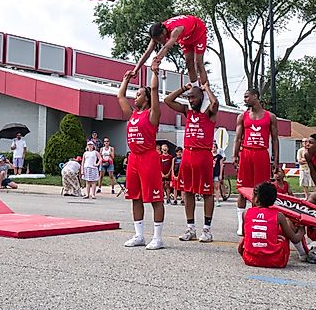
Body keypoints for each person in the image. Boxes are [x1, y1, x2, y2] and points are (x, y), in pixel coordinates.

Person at [117, 61, 165, 250]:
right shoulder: (132, 115)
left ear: (145, 99)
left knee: (154, 199)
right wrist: (126, 80)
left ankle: (158, 238)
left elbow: (153, 88)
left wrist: (154, 71)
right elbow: (120, 95)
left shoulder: (152, 114)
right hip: (134, 159)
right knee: (135, 197)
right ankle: (139, 235)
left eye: (138, 95)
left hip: (148, 157)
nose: (134, 97)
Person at [164, 81, 219, 242]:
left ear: (201, 97)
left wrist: (206, 88)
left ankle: (207, 230)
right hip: (188, 154)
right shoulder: (188, 112)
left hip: (203, 155)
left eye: (193, 98)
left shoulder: (208, 113)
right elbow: (168, 101)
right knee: (187, 192)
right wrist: (183, 88)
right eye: (189, 98)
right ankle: (191, 228)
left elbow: (215, 103)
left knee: (207, 192)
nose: (190, 100)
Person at [232, 87, 279, 236]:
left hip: (261, 154)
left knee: (259, 191)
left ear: (256, 96)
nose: (245, 99)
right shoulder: (242, 117)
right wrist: (234, 156)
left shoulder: (270, 117)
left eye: (247, 96)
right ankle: (241, 223)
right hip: (246, 153)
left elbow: (275, 140)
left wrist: (276, 160)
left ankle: (255, 220)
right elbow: (238, 138)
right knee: (242, 190)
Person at [238, 181, 316, 268]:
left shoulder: (245, 213)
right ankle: (303, 253)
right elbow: (295, 238)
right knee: (287, 228)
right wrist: (302, 229)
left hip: (250, 259)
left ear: (256, 199)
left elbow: (245, 235)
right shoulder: (279, 216)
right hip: (275, 260)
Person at [132, 15, 208, 86]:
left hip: (198, 31)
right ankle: (195, 87)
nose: (159, 42)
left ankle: (205, 90)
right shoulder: (156, 34)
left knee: (198, 62)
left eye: (159, 39)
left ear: (164, 32)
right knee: (188, 63)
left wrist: (156, 60)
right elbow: (147, 52)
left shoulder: (175, 30)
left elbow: (166, 47)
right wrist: (135, 70)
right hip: (185, 38)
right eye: (156, 40)